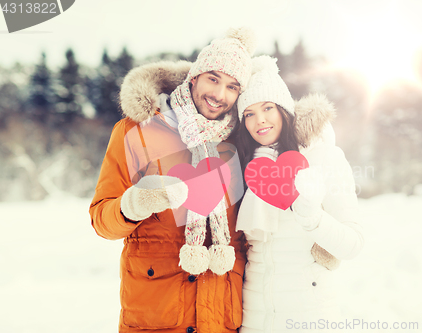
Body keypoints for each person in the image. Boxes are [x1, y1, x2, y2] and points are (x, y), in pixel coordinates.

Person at [89, 28, 256, 333]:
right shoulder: (136, 131)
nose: (220, 95)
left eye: (232, 86)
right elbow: (101, 220)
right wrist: (133, 205)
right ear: (194, 77)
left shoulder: (242, 142)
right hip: (156, 314)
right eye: (213, 79)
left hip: (222, 317)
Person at [234, 56, 365, 332]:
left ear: (284, 109)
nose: (260, 120)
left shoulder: (323, 157)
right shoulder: (245, 167)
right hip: (255, 318)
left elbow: (353, 244)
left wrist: (312, 217)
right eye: (249, 113)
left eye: (268, 107)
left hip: (309, 317)